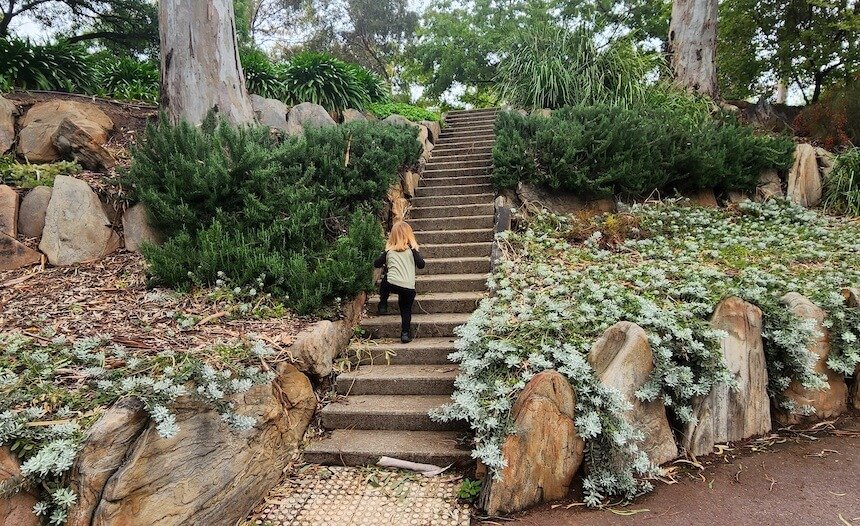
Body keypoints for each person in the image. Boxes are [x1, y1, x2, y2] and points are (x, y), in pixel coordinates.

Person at [374, 221, 426, 343]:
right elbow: (421, 265)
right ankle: (405, 334)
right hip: (408, 288)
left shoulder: (389, 251)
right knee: (405, 310)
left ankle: (383, 304)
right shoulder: (412, 251)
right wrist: (414, 250)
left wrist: (386, 260)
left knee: (385, 281)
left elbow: (376, 264)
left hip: (392, 283)